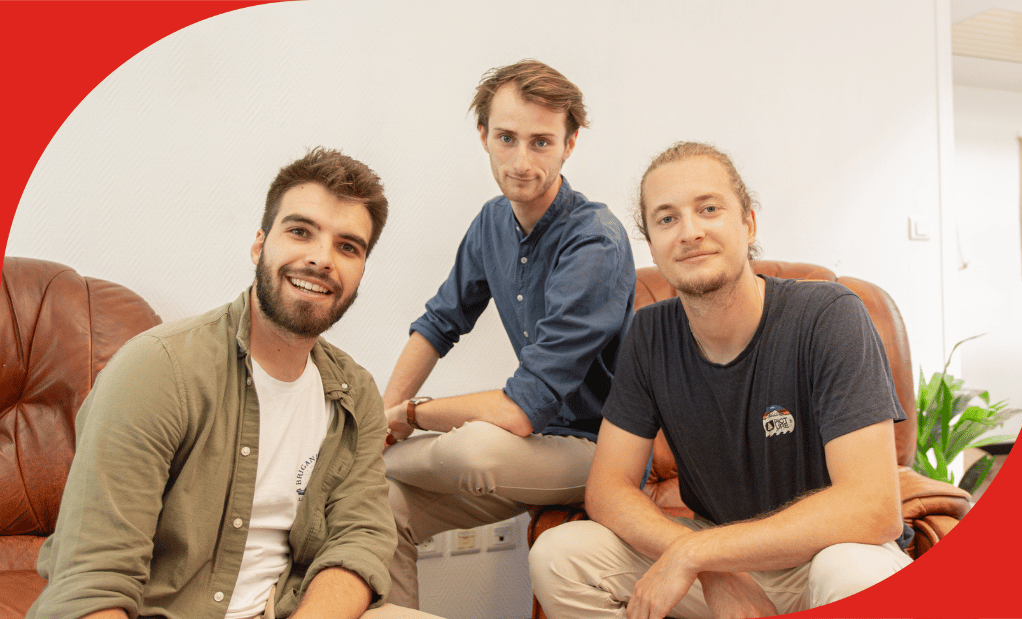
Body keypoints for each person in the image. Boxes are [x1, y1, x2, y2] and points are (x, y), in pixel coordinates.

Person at [29, 148, 441, 619]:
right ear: (259, 245)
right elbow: (93, 581)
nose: (322, 259)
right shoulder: (156, 371)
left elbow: (359, 538)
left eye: (348, 247)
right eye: (300, 231)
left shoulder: (355, 394)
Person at [529, 142, 914, 619]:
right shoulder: (649, 334)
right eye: (667, 218)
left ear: (748, 223)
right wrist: (712, 568)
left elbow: (873, 506)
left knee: (852, 572)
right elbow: (609, 488)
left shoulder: (830, 315)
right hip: (721, 560)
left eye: (709, 209)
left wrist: (698, 554)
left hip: (825, 554)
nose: (690, 232)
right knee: (560, 556)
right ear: (652, 244)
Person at [381, 59, 635, 608]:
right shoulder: (491, 222)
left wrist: (408, 417)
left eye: (541, 142)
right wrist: (384, 415)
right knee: (381, 503)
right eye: (507, 139)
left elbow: (520, 410)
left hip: (600, 451)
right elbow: (439, 323)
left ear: (569, 145)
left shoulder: (595, 241)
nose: (521, 162)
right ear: (484, 137)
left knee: (473, 446)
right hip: (529, 447)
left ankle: (360, 460)